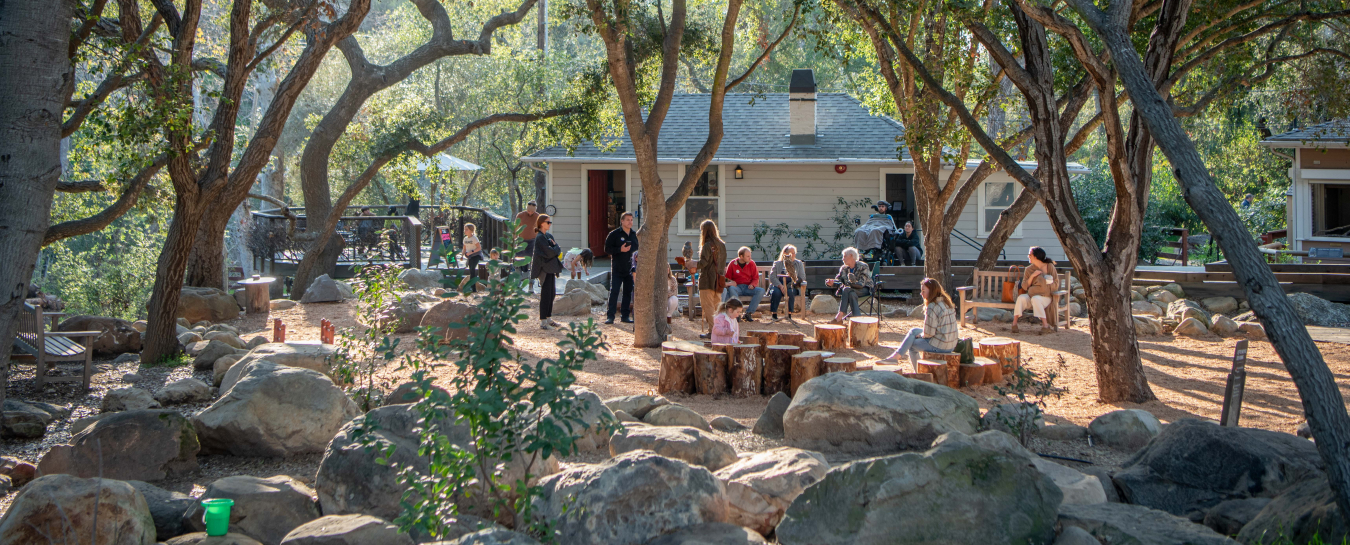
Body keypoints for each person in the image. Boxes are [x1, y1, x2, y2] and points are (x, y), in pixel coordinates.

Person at [882, 277, 958, 368]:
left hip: (941, 344)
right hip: (951, 343)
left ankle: (917, 371)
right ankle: (895, 357)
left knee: (912, 346)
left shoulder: (932, 306)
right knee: (913, 331)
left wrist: (921, 335)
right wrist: (922, 334)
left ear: (932, 291)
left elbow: (929, 333)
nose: (921, 293)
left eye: (923, 291)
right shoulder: (946, 302)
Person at [1013, 246, 1059, 333]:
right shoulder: (1028, 269)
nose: (1028, 256)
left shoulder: (1049, 266)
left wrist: (1044, 286)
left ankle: (1045, 326)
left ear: (1036, 256)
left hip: (1046, 297)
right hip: (1032, 295)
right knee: (1021, 298)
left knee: (1036, 299)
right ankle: (1014, 324)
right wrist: (1032, 276)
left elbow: (1056, 283)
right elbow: (1024, 286)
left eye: (1030, 255)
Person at [605, 212, 640, 324]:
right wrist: (620, 249)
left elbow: (638, 249)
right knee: (614, 291)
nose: (630, 222)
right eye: (628, 220)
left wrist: (637, 257)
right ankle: (610, 316)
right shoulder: (614, 234)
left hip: (630, 269)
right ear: (622, 221)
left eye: (631, 220)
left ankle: (625, 316)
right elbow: (607, 249)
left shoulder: (634, 235)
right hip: (617, 268)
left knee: (627, 292)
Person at [825, 247, 873, 324]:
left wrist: (852, 282)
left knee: (847, 289)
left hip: (864, 289)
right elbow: (839, 281)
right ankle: (858, 320)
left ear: (851, 256)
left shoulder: (863, 266)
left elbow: (861, 284)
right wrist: (832, 282)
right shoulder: (843, 268)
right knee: (851, 294)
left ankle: (839, 317)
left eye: (844, 256)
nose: (842, 259)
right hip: (850, 291)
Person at [532, 214, 563, 330]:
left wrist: (555, 249)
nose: (550, 224)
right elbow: (550, 252)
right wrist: (555, 248)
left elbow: (557, 250)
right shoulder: (540, 237)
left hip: (551, 268)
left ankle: (549, 318)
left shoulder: (548, 236)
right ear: (541, 223)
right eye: (548, 222)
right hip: (544, 269)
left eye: (550, 222)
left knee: (552, 293)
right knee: (545, 294)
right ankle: (543, 321)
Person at [696, 220, 726, 338]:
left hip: (707, 280)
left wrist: (693, 264)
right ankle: (720, 330)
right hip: (719, 280)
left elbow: (703, 263)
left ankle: (713, 331)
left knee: (708, 306)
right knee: (717, 306)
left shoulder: (707, 245)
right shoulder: (722, 245)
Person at [723, 246, 764, 322]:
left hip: (748, 287)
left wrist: (753, 284)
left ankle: (748, 313)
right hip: (737, 287)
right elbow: (728, 277)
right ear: (741, 256)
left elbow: (756, 278)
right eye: (748, 256)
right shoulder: (733, 263)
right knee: (731, 289)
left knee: (761, 291)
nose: (750, 258)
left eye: (750, 256)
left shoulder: (752, 263)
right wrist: (731, 282)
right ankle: (736, 313)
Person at [767, 244, 805, 322]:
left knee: (790, 292)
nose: (793, 255)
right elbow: (772, 277)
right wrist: (780, 286)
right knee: (776, 292)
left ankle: (789, 314)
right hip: (778, 285)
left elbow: (802, 277)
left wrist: (794, 282)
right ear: (785, 253)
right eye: (791, 253)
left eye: (794, 253)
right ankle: (774, 314)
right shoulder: (777, 263)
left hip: (791, 285)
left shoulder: (798, 263)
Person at [515, 201, 541, 288]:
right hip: (521, 241)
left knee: (532, 264)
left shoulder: (538, 216)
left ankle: (531, 285)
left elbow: (540, 229)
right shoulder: (520, 215)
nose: (530, 213)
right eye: (529, 211)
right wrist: (514, 240)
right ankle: (517, 284)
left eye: (532, 211)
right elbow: (515, 228)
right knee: (518, 263)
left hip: (533, 241)